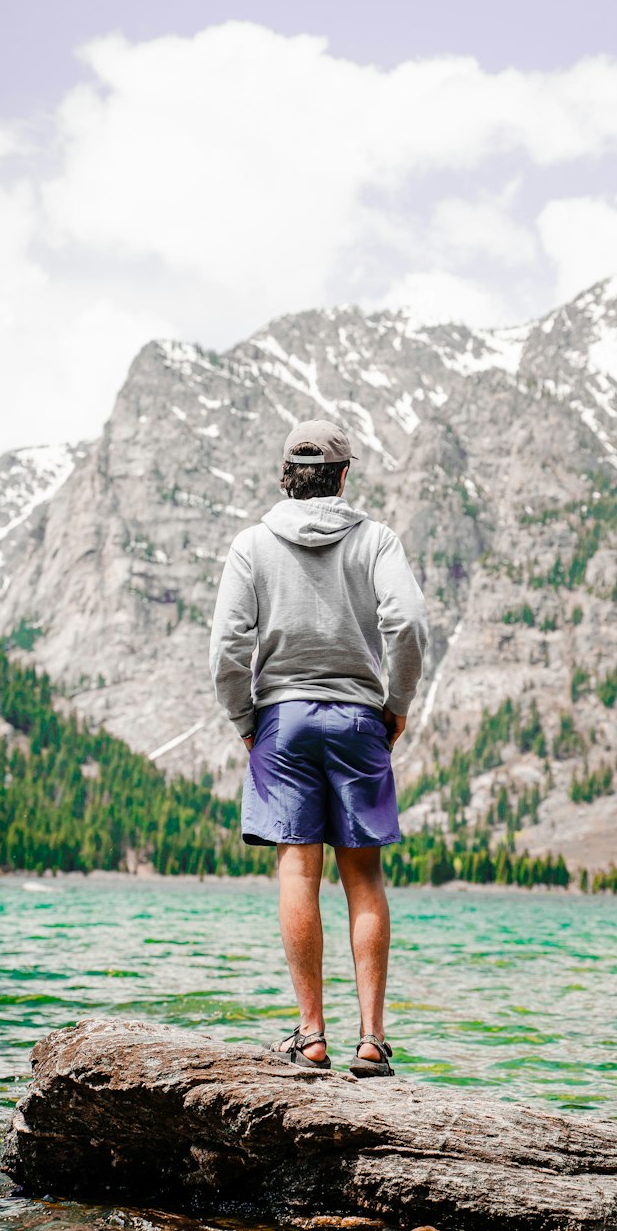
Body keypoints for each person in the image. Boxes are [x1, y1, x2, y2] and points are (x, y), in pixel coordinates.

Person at [209, 419, 428, 1076]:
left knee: (298, 872)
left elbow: (226, 648)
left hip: (284, 723)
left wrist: (246, 720)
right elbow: (409, 624)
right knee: (363, 879)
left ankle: (310, 1036)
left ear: (286, 475)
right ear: (343, 475)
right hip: (359, 720)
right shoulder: (376, 540)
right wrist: (397, 705)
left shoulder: (252, 544)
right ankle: (371, 1041)